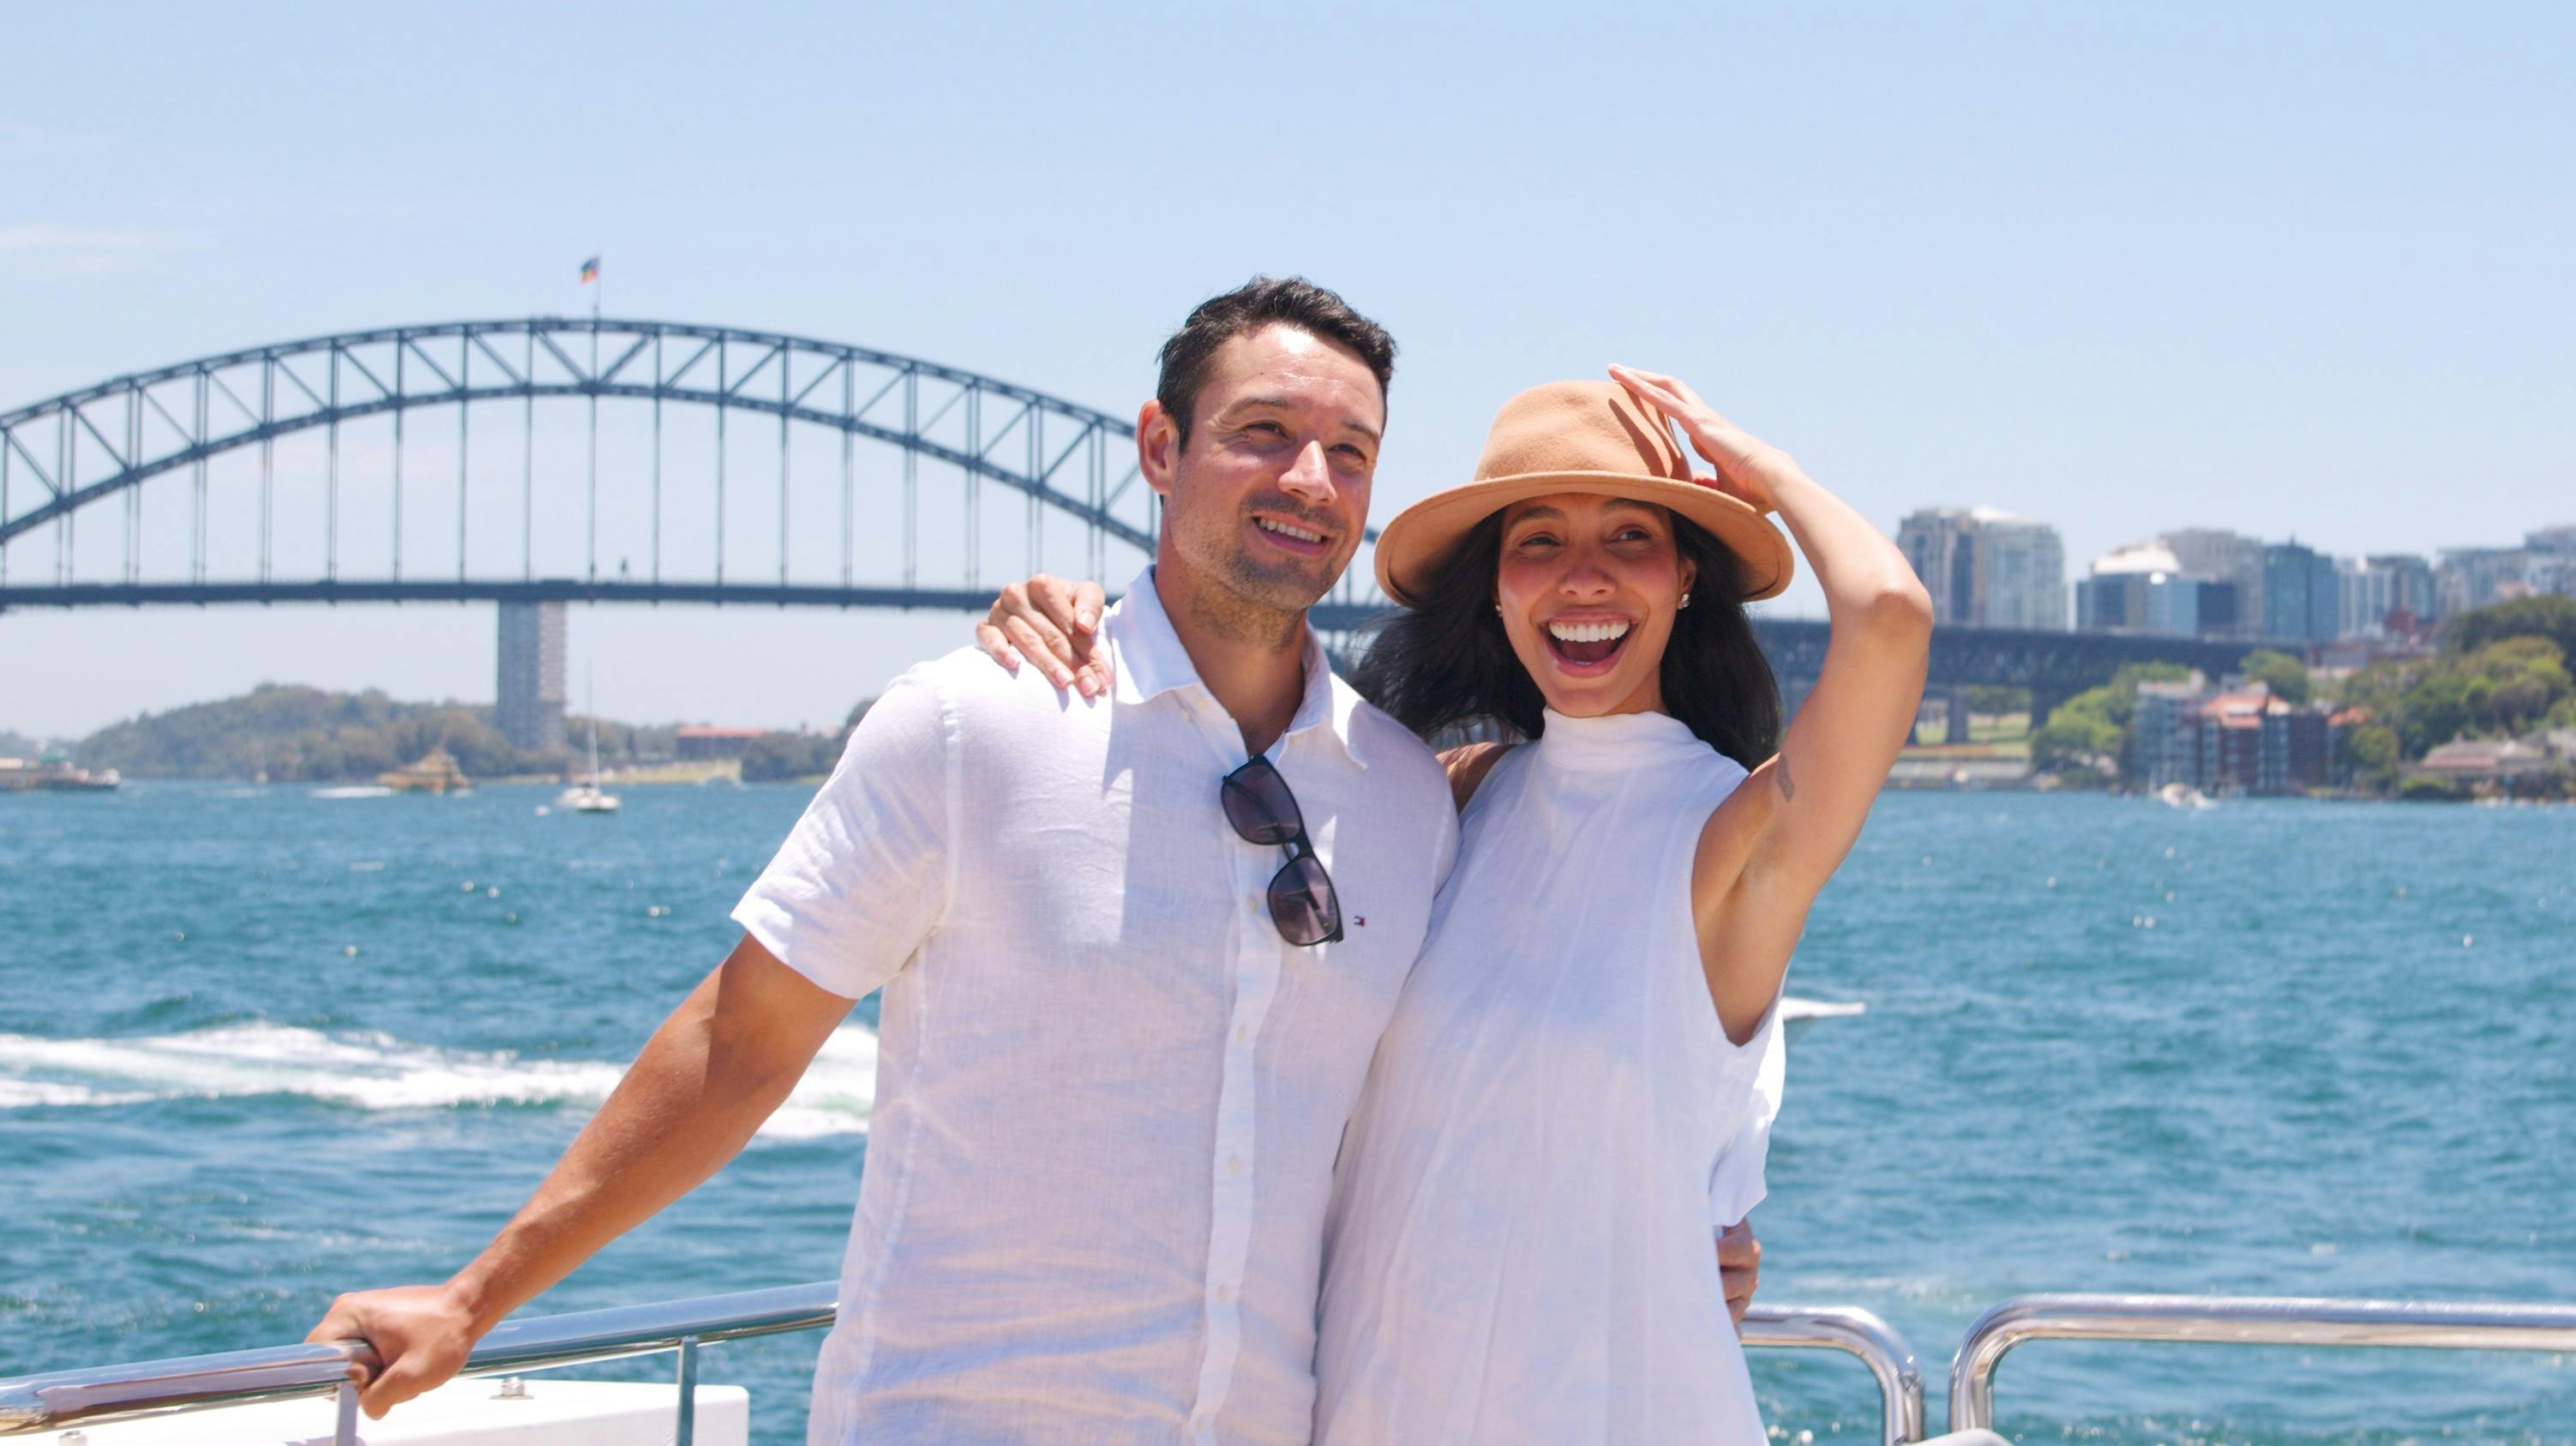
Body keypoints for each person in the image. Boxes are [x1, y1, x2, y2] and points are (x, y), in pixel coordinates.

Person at [308, 278, 1466, 1446]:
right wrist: (472, 1300)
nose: (1309, 481)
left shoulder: (1407, 802)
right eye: (1261, 434)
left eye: (1349, 453)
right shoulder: (972, 727)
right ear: (1159, 447)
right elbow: (741, 1041)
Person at [982, 368, 1930, 1443]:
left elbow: (1889, 615)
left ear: (1684, 581)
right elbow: (1201, 799)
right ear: (1491, 587)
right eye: (1537, 543)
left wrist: (1763, 471)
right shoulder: (1453, 797)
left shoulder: (1727, 839)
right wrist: (1081, 623)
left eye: (1630, 538)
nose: (1582, 580)